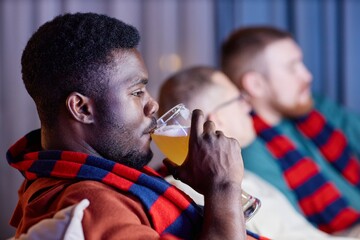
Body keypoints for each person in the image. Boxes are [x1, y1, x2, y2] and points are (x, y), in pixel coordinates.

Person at [6, 12, 261, 240]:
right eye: (137, 92)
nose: (153, 106)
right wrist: (223, 187)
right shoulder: (91, 205)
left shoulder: (99, 177)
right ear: (82, 109)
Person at [158, 65, 358, 240]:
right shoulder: (202, 192)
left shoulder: (242, 176)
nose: (248, 105)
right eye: (238, 99)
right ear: (215, 120)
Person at [220, 26, 360, 237]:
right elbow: (300, 232)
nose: (307, 75)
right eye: (292, 67)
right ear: (255, 84)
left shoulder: (315, 109)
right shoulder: (251, 153)